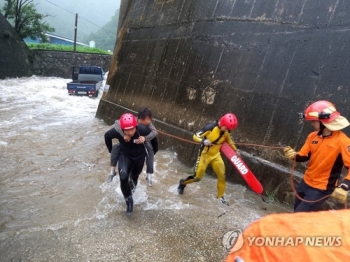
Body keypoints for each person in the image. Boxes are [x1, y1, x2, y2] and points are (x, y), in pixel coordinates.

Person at [283, 100, 350, 212]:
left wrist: (345, 185)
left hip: (322, 188)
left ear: (324, 121)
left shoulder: (343, 142)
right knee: (297, 211)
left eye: (314, 121)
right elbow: (303, 155)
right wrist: (293, 155)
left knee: (299, 214)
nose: (312, 123)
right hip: (306, 182)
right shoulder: (312, 136)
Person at [177, 113, 240, 206]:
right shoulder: (210, 127)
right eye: (227, 128)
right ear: (222, 124)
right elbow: (195, 136)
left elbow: (229, 141)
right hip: (204, 155)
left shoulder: (226, 131)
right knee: (197, 178)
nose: (228, 130)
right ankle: (183, 183)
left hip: (216, 156)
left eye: (229, 129)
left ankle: (220, 197)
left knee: (222, 176)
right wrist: (203, 141)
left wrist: (236, 150)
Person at [104, 113, 152, 215]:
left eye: (132, 129)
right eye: (127, 130)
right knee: (123, 176)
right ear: (122, 129)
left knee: (134, 177)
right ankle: (129, 201)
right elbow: (107, 136)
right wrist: (111, 151)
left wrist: (145, 139)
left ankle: (129, 193)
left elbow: (154, 138)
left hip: (139, 157)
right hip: (125, 156)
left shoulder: (142, 130)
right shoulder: (118, 132)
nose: (130, 132)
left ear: (136, 126)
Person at [106, 108, 158, 186]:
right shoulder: (132, 120)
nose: (149, 122)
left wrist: (145, 138)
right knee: (116, 148)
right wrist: (124, 135)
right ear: (139, 119)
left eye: (149, 119)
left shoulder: (149, 125)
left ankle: (149, 174)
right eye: (147, 120)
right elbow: (117, 123)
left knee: (150, 150)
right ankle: (112, 171)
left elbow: (155, 132)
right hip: (127, 143)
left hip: (141, 142)